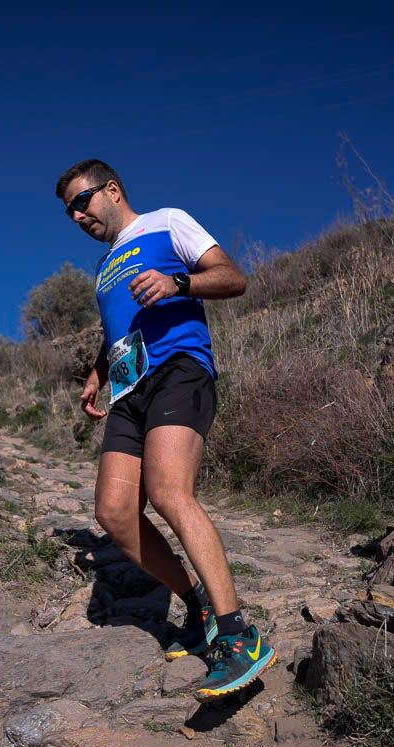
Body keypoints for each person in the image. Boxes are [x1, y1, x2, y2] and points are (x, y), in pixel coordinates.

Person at [55, 158, 276, 702]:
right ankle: (197, 605)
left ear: (111, 190)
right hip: (131, 390)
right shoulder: (104, 269)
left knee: (170, 493)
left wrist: (179, 281)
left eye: (82, 201)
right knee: (113, 511)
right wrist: (98, 373)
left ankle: (237, 634)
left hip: (181, 369)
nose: (77, 216)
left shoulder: (166, 221)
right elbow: (122, 330)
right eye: (68, 212)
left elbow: (233, 278)